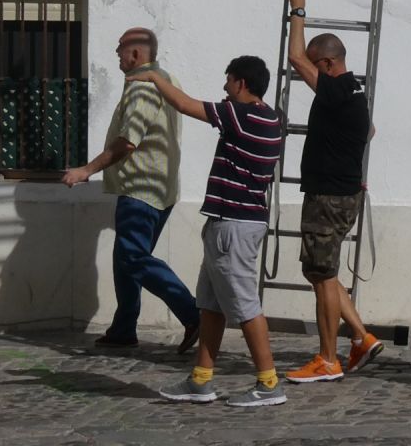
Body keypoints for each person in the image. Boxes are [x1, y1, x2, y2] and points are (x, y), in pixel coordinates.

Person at [131, 55, 287, 408]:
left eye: (228, 80)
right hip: (230, 222)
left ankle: (269, 383)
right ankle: (201, 380)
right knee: (212, 306)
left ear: (242, 84)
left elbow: (185, 104)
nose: (224, 88)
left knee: (245, 305)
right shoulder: (271, 117)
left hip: (234, 224)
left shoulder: (242, 115)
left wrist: (155, 77)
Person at [61, 27, 200, 352]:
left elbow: (127, 143)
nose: (116, 54)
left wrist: (86, 171)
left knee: (133, 257)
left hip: (142, 189)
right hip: (160, 187)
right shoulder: (167, 79)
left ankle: (193, 313)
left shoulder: (142, 89)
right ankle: (124, 327)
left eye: (121, 48)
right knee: (126, 257)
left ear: (136, 54)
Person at [281, 0, 383, 383]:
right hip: (342, 194)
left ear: (327, 64)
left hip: (328, 198)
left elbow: (295, 58)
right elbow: (369, 132)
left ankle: (327, 358)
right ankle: (361, 337)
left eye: (316, 66)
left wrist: (300, 9)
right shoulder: (353, 94)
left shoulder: (338, 90)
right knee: (322, 272)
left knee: (321, 277)